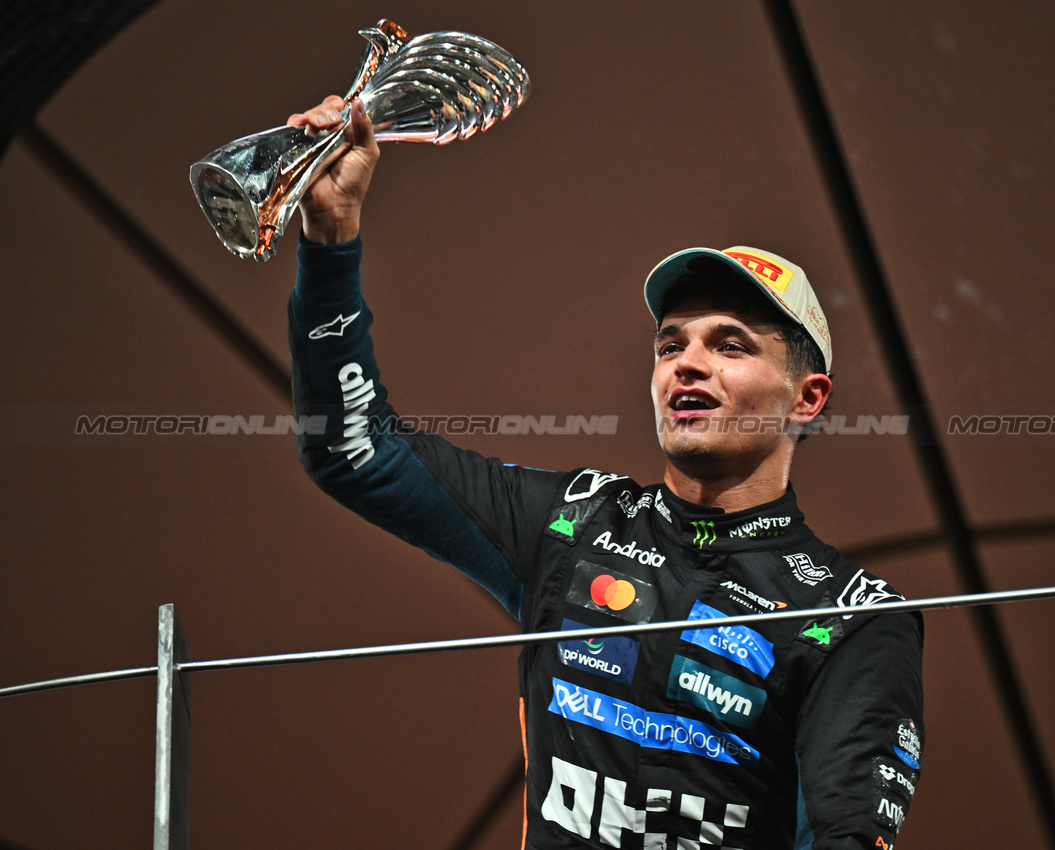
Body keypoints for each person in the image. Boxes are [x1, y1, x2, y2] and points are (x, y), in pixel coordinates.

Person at [287, 96, 924, 850]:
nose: (686, 362)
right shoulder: (576, 521)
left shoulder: (855, 616)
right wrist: (331, 243)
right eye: (668, 345)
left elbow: (849, 840)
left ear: (807, 398)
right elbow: (355, 452)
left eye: (730, 344)